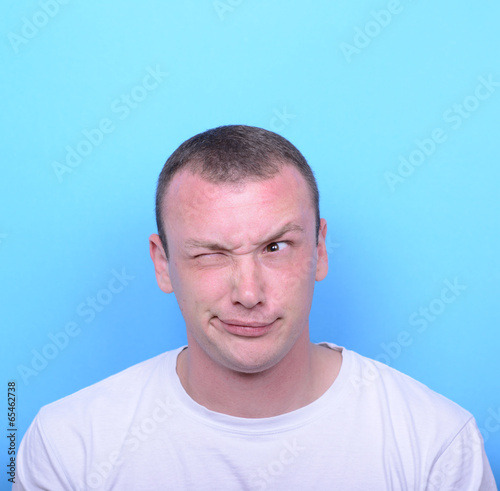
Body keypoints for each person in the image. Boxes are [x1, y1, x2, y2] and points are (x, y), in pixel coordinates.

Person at [15, 125, 496, 490]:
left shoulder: (436, 442)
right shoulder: (69, 445)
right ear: (162, 264)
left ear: (319, 250)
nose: (248, 293)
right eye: (211, 253)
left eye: (276, 247)